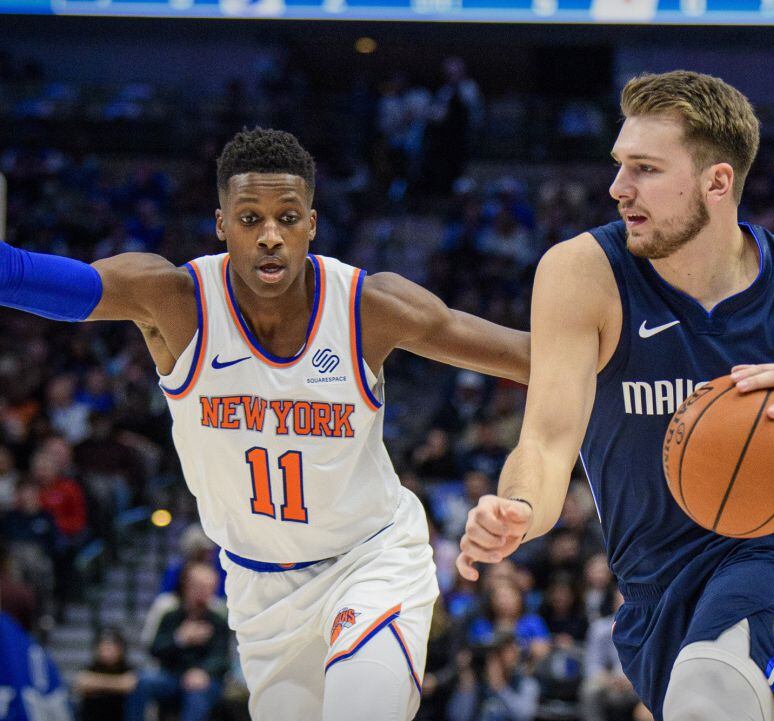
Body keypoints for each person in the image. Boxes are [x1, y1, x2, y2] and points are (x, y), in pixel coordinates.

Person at [458, 70, 774, 721]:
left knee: (710, 694)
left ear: (718, 182)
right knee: (710, 694)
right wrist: (517, 506)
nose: (617, 188)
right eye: (619, 165)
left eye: (645, 169)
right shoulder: (581, 274)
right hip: (657, 593)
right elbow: (547, 440)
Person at [0, 127, 530, 721]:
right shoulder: (175, 300)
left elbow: (527, 357)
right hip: (259, 589)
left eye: (288, 217)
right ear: (222, 224)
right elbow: (24, 276)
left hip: (371, 561)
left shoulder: (368, 306)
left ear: (312, 223)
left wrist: (634, 352)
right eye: (250, 219)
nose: (271, 237)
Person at [126, 563, 230, 721]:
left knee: (197, 693)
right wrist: (180, 639)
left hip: (206, 679)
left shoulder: (218, 621)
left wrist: (203, 672)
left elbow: (222, 658)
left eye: (209, 587)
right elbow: (155, 649)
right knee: (143, 682)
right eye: (200, 586)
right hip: (173, 676)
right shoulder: (171, 616)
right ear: (187, 586)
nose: (205, 592)